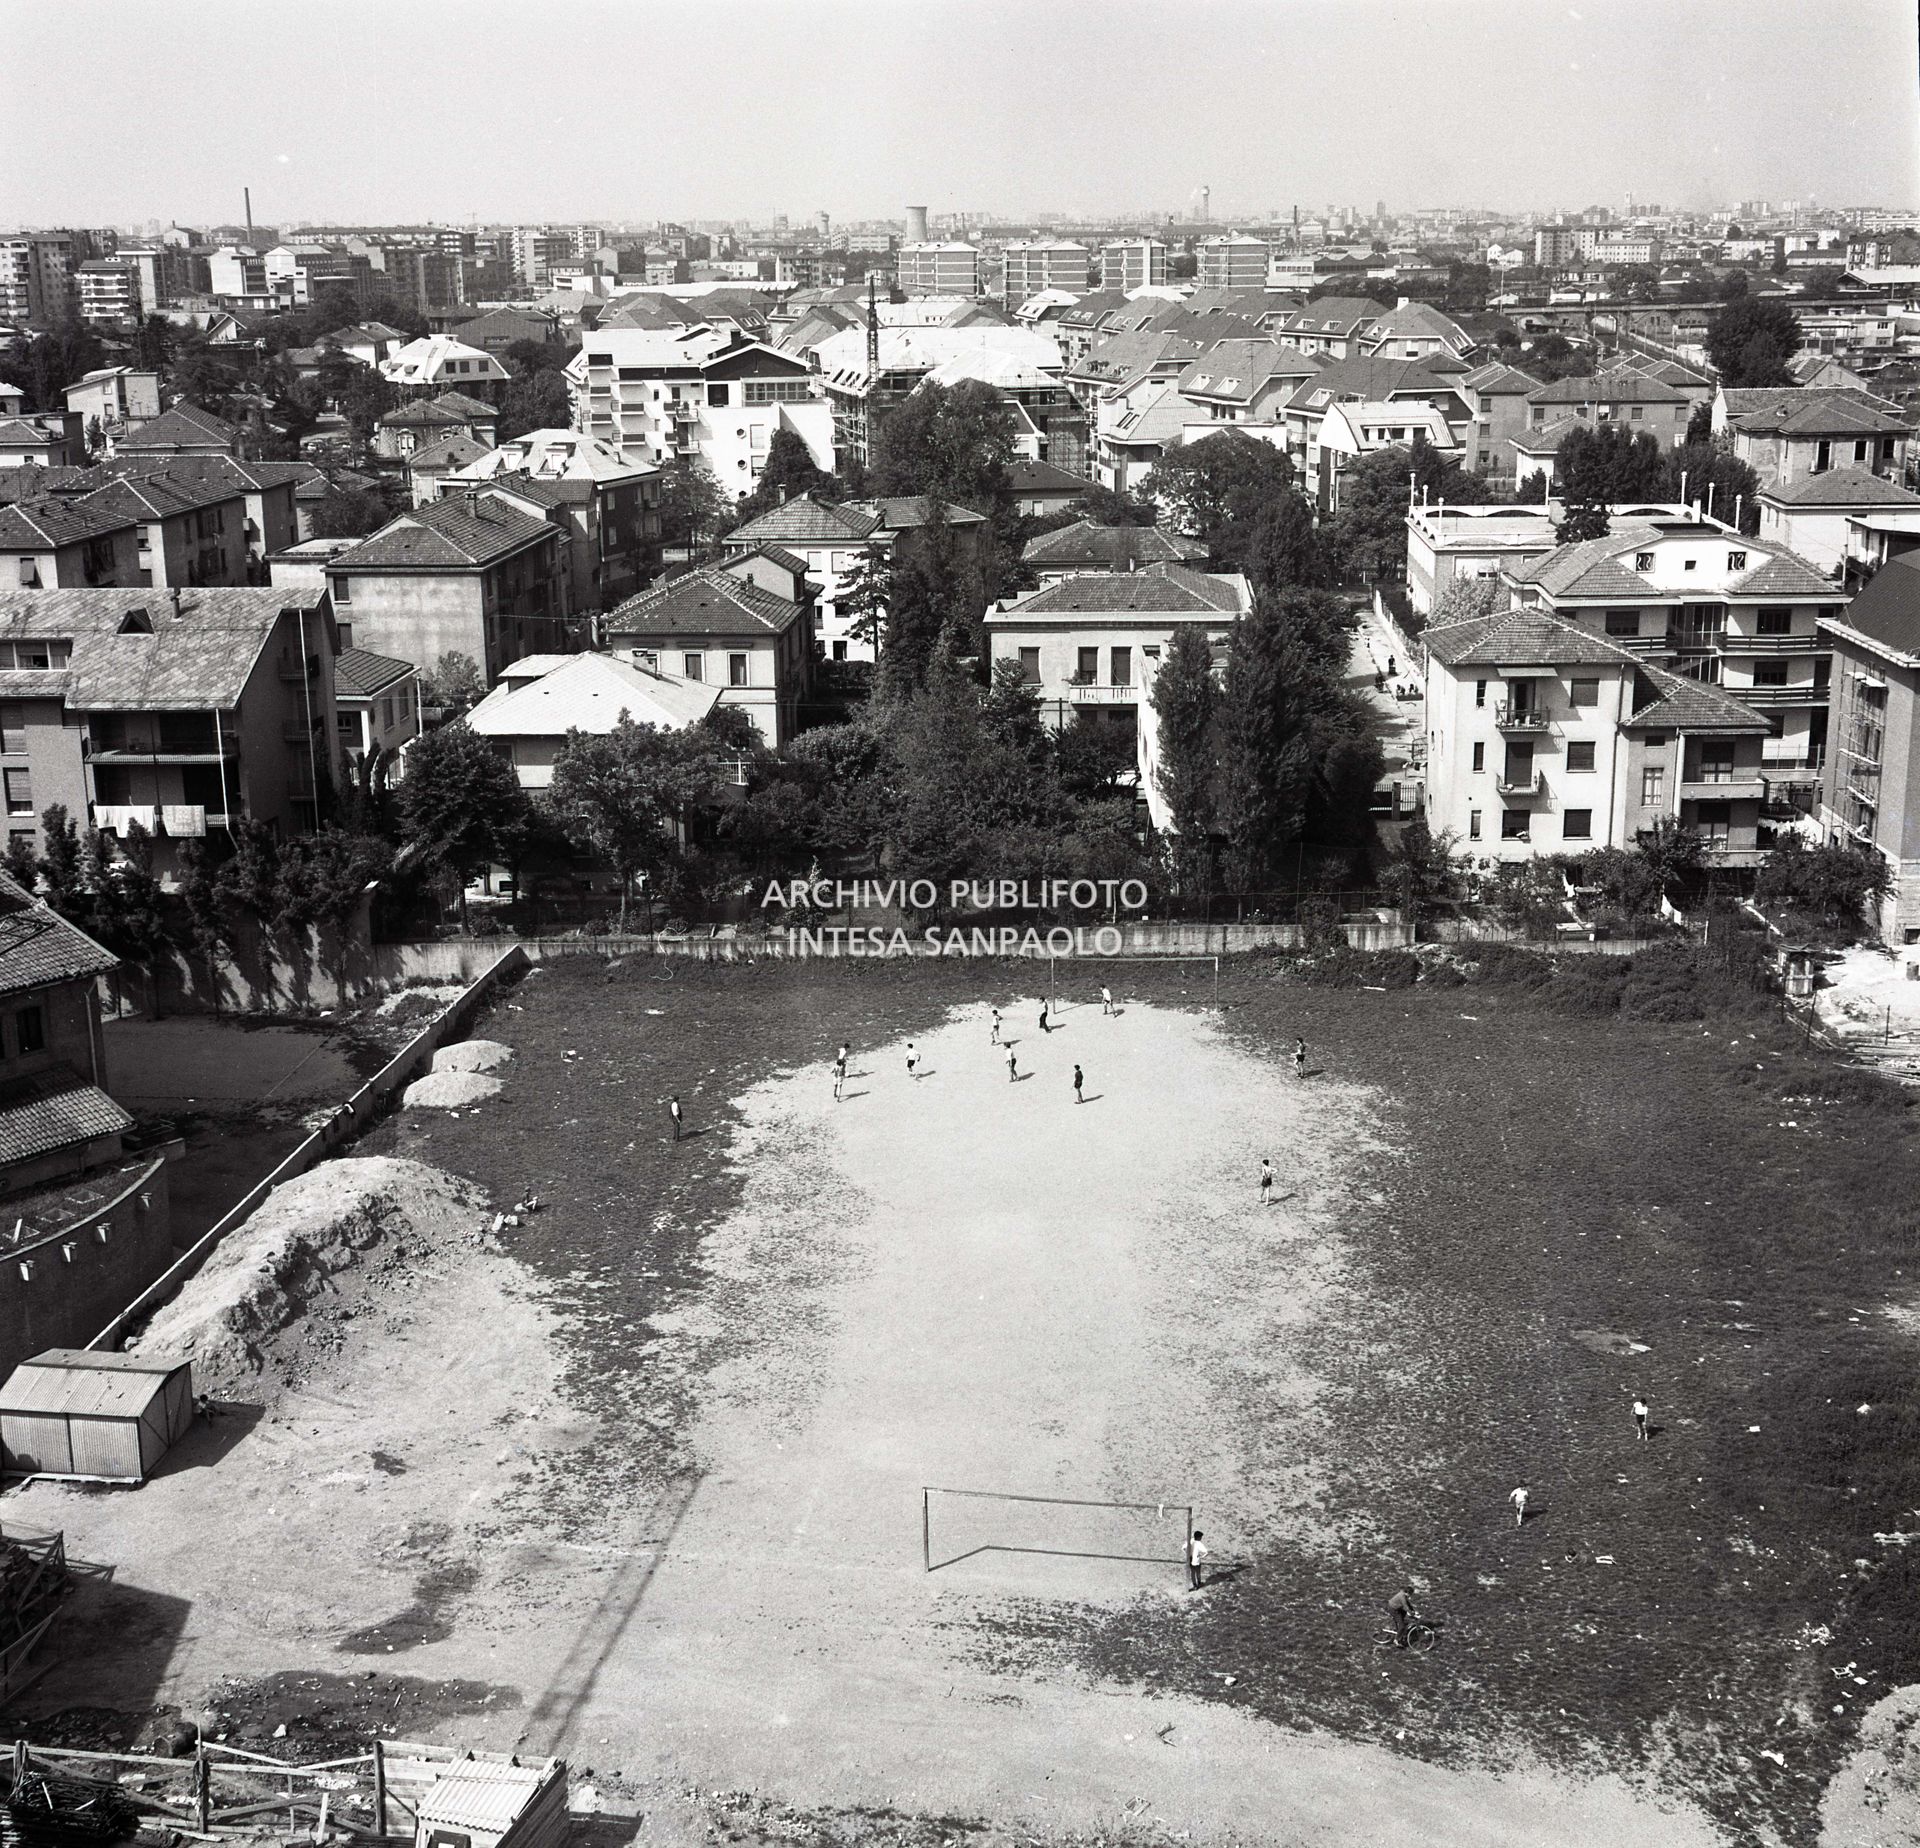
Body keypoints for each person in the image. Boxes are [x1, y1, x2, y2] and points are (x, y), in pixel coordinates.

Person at [1386, 1584, 1416, 1648]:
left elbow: (1408, 1603)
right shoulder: (1402, 1596)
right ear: (1407, 1593)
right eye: (1410, 1594)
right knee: (1402, 1626)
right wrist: (1412, 1613)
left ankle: (1399, 1629)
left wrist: (1412, 1610)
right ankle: (1396, 1640)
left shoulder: (1404, 1595)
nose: (1410, 1596)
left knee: (1403, 1615)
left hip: (1397, 1607)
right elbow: (1405, 1605)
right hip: (1393, 1609)